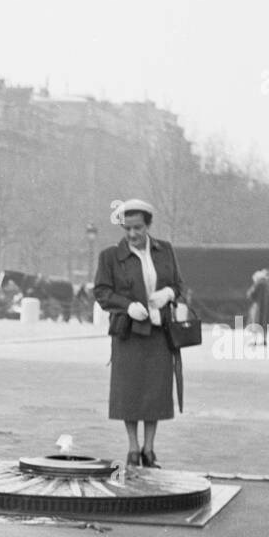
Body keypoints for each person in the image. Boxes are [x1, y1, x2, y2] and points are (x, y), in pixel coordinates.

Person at [92, 198, 187, 468]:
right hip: (128, 334)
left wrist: (169, 293)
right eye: (127, 229)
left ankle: (149, 449)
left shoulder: (165, 251)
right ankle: (133, 448)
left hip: (159, 333)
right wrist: (127, 306)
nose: (133, 234)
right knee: (130, 392)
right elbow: (101, 292)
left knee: (155, 392)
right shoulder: (109, 256)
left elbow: (179, 285)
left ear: (148, 226)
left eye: (138, 228)